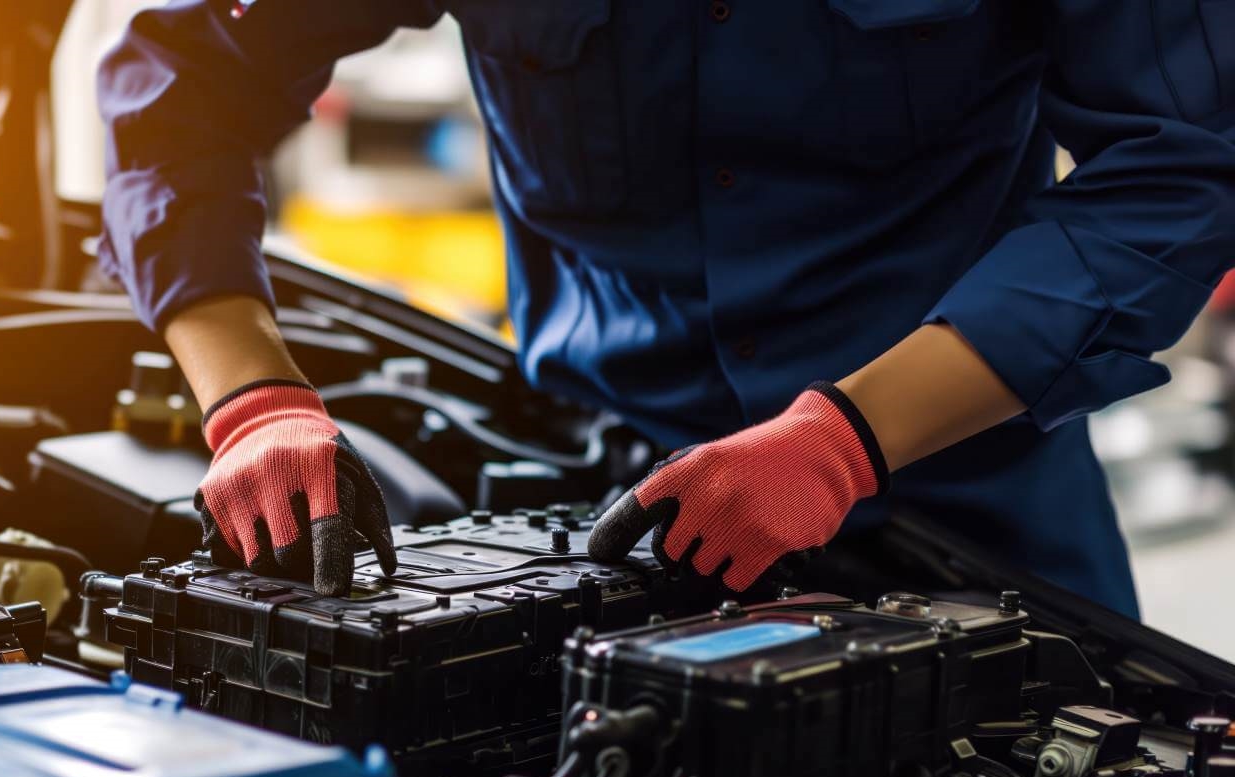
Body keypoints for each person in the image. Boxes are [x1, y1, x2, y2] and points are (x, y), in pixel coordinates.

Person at [96, 0, 1235, 614]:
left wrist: (845, 439)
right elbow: (180, 88)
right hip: (586, 521)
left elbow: (1184, 167)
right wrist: (252, 401)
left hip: (972, 519)